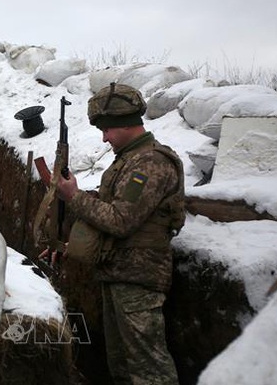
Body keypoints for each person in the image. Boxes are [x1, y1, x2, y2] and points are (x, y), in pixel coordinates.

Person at [55, 82, 185, 385]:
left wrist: (75, 197)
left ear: (123, 124)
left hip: (138, 278)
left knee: (149, 369)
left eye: (107, 130)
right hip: (117, 272)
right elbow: (115, 204)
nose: (104, 137)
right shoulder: (130, 159)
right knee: (121, 365)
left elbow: (121, 219)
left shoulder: (150, 163)